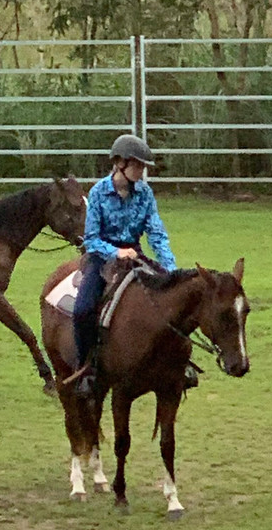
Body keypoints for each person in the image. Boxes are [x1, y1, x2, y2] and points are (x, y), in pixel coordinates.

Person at [72, 134, 196, 394]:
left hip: (136, 254)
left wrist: (170, 270)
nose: (141, 171)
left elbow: (157, 233)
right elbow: (91, 239)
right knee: (83, 309)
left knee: (175, 298)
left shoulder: (145, 194)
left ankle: (181, 361)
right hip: (102, 257)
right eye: (137, 166)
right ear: (120, 163)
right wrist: (116, 252)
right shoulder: (97, 193)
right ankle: (86, 368)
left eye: (143, 167)